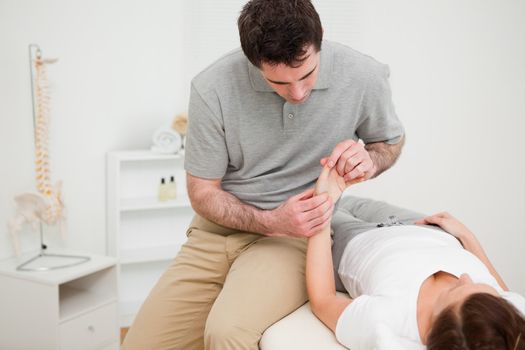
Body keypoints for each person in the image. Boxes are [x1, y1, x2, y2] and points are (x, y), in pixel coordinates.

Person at [122, 1, 405, 349]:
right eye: (279, 82)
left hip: (293, 239)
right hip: (215, 233)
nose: (298, 93)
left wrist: (370, 161)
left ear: (319, 43)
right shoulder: (212, 87)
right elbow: (202, 192)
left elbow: (387, 142)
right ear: (252, 62)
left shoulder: (363, 75)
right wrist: (271, 220)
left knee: (226, 332)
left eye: (307, 75)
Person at [307, 165, 525, 350]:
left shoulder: (384, 322)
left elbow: (323, 301)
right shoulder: (507, 324)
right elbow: (505, 292)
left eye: (455, 289)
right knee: (351, 198)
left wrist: (322, 205)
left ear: (434, 329)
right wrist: (467, 236)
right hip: (430, 229)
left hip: (359, 241)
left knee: (310, 195)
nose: (465, 277)